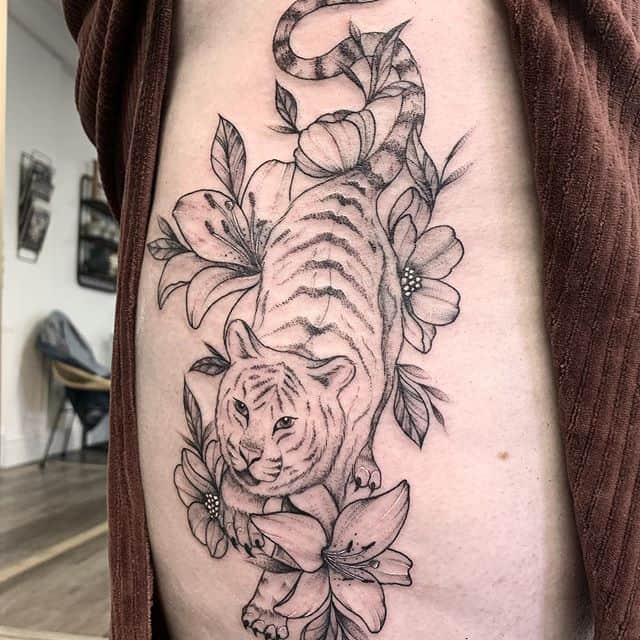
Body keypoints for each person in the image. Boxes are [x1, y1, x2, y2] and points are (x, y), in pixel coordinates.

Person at [63, 1, 640, 638]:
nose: (251, 450)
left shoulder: (353, 388)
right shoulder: (262, 349)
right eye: (244, 412)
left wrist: (354, 447)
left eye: (278, 424)